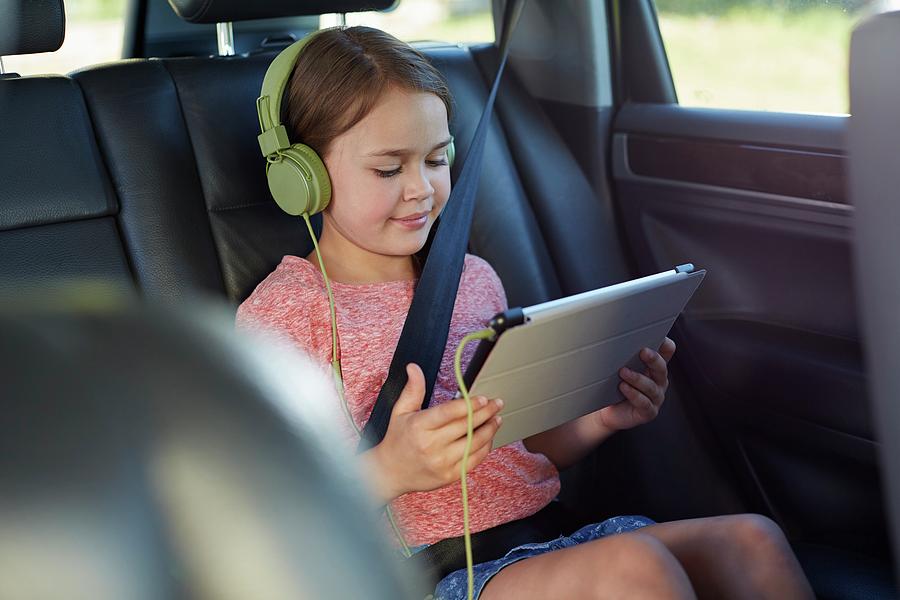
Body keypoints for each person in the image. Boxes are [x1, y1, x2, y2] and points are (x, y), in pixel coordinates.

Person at [236, 26, 814, 600]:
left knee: (754, 541)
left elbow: (519, 450)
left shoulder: (472, 279)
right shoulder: (287, 315)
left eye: (437, 160)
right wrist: (390, 469)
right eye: (389, 169)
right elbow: (265, 513)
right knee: (635, 570)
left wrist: (601, 416)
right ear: (302, 178)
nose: (421, 189)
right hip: (435, 574)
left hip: (551, 536)